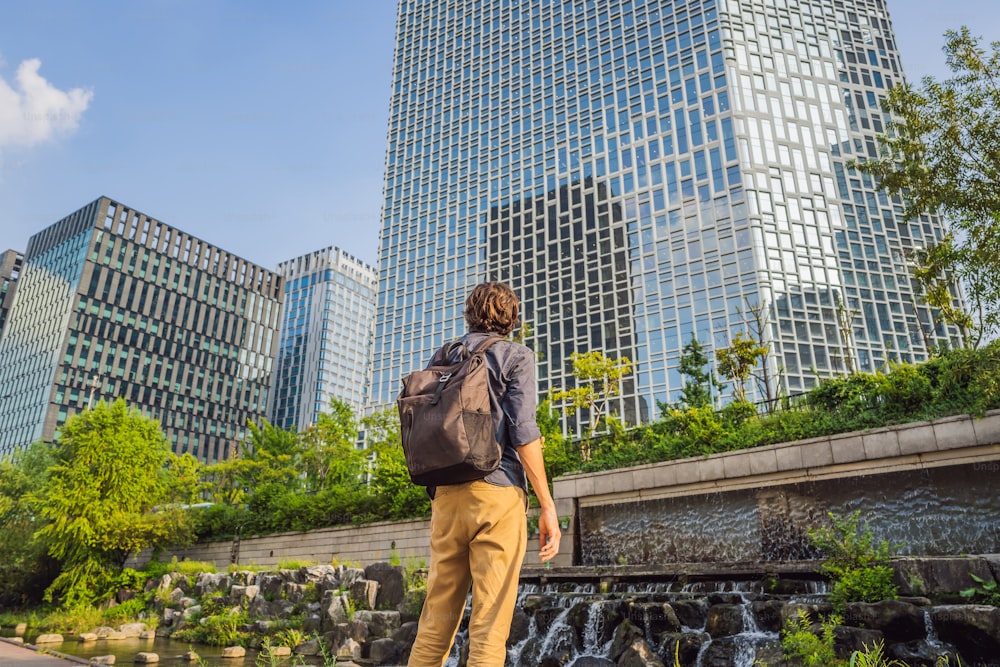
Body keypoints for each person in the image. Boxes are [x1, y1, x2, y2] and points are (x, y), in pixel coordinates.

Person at [407, 281, 561, 667]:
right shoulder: (515, 356)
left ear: (469, 313)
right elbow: (523, 432)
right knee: (489, 625)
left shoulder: (444, 354)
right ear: (512, 318)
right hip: (497, 494)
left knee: (435, 622)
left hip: (445, 496)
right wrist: (547, 505)